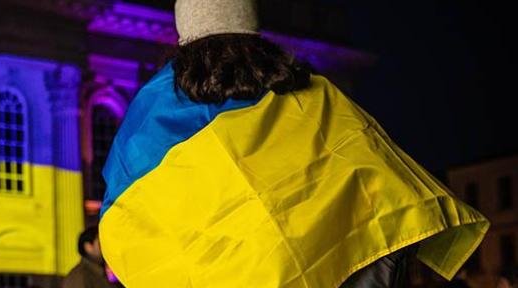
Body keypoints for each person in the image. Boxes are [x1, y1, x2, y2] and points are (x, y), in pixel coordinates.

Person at [97, 0, 489, 287]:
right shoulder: (311, 92)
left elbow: (125, 212)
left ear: (183, 34)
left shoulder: (151, 112)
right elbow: (379, 175)